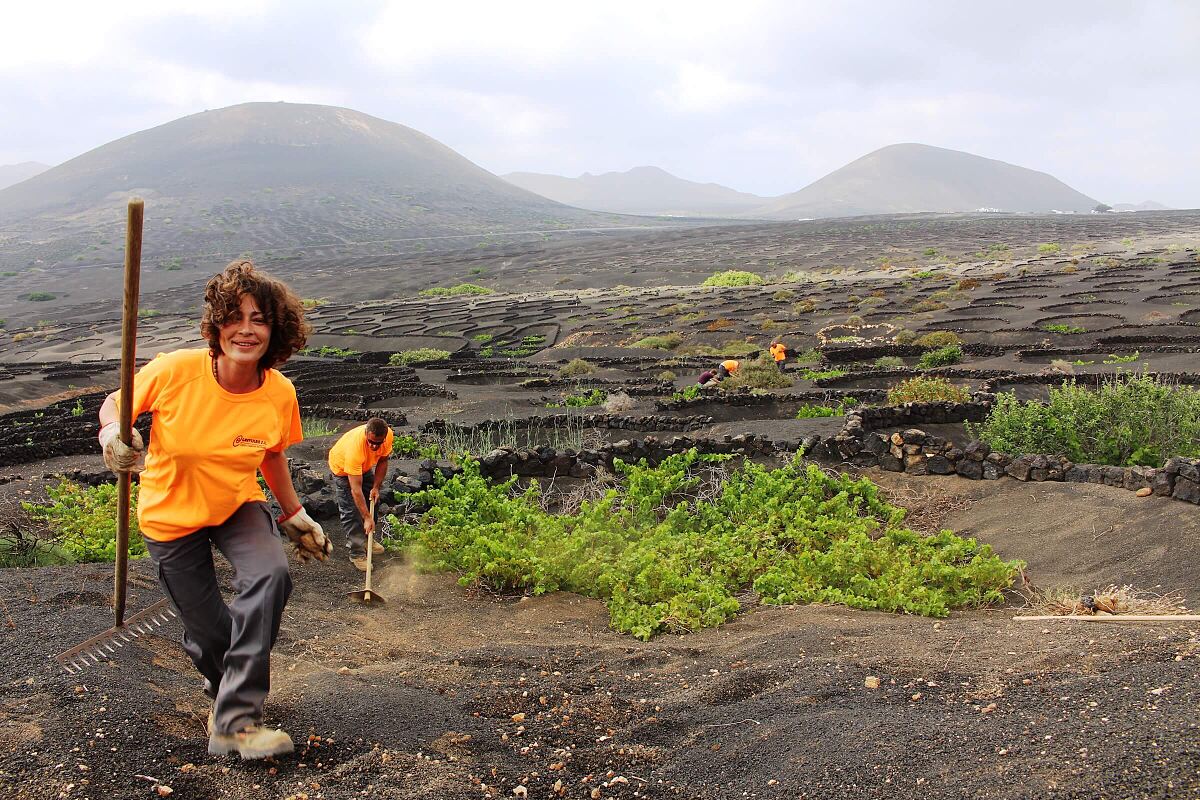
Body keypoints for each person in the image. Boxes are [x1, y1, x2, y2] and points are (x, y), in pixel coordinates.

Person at [97, 259, 332, 761]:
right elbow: (116, 405)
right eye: (235, 316)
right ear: (216, 323)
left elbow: (271, 454)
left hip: (236, 504)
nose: (246, 330)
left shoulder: (279, 392)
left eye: (260, 319)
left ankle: (236, 722)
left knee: (271, 576)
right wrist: (112, 435)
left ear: (277, 330)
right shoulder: (176, 370)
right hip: (170, 515)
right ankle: (227, 688)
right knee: (208, 635)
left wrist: (293, 515)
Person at [327, 417, 393, 569]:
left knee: (373, 500)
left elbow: (383, 460)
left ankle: (368, 540)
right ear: (366, 434)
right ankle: (357, 552)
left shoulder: (388, 435)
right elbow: (355, 490)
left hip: (364, 466)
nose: (374, 446)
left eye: (378, 443)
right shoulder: (355, 449)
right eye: (371, 442)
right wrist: (366, 517)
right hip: (343, 469)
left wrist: (376, 487)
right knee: (351, 511)